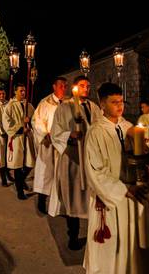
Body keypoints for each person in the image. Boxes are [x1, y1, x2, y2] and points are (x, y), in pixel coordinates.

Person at [83, 82, 149, 273]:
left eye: (121, 101)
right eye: (114, 102)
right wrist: (124, 189)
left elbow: (143, 161)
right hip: (113, 199)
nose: (120, 106)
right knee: (113, 253)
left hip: (134, 198)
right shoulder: (95, 132)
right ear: (102, 104)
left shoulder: (129, 127)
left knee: (137, 250)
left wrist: (147, 165)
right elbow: (95, 171)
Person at [50, 75, 103, 250]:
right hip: (72, 160)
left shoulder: (94, 107)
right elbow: (56, 132)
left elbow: (100, 127)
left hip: (89, 159)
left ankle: (94, 232)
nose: (86, 89)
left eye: (88, 86)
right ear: (74, 88)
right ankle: (72, 235)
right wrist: (70, 136)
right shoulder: (64, 108)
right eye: (82, 86)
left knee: (91, 198)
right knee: (73, 198)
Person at [32, 77, 67, 214]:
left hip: (64, 145)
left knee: (61, 175)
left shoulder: (69, 102)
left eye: (65, 86)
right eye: (61, 86)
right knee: (46, 174)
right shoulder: (45, 103)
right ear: (54, 87)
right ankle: (42, 199)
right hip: (49, 144)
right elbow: (36, 121)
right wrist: (44, 133)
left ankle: (61, 204)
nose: (64, 88)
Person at [2, 83, 36, 200]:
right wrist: (21, 126)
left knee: (30, 163)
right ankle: (20, 191)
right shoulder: (10, 106)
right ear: (15, 92)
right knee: (17, 165)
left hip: (27, 138)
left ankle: (20, 181)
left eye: (24, 91)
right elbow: (7, 123)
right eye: (21, 91)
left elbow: (36, 119)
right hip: (17, 138)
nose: (23, 93)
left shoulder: (28, 105)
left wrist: (30, 121)